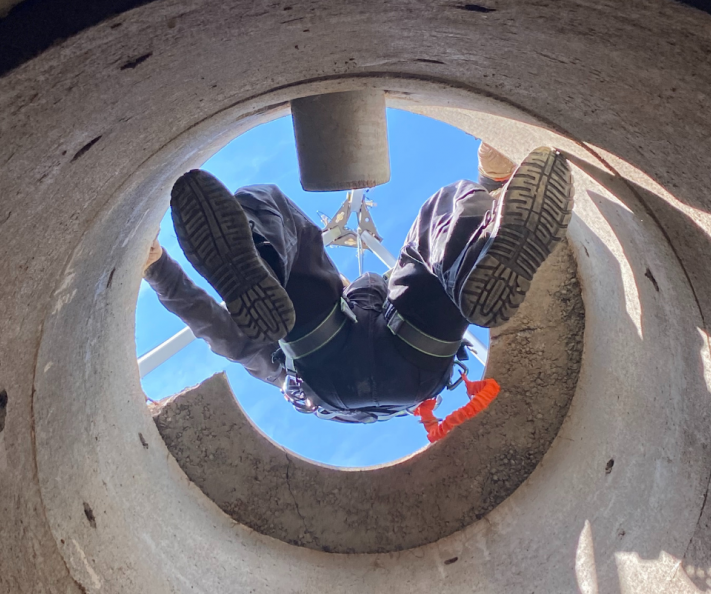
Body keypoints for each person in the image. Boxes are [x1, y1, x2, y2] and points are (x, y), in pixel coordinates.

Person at [142, 143, 574, 423]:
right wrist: (157, 267)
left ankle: (263, 262)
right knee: (436, 247)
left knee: (277, 221)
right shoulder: (394, 294)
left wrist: (159, 268)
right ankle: (487, 217)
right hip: (413, 364)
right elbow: (221, 334)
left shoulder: (290, 334)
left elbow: (219, 332)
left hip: (339, 375)